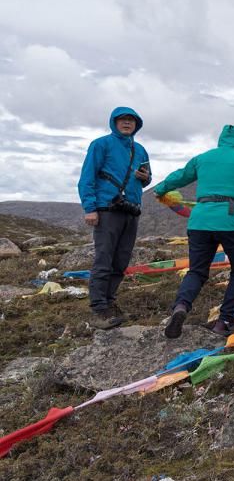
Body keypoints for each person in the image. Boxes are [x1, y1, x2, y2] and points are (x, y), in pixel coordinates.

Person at [153, 125, 234, 338]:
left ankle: (181, 307)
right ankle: (224, 322)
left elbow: (180, 176)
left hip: (200, 220)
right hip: (231, 220)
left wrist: (161, 189)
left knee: (197, 271)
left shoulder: (203, 158)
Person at [78, 107, 152, 330]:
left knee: (121, 261)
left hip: (131, 210)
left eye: (131, 120)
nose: (127, 123)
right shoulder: (101, 144)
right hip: (107, 209)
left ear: (136, 124)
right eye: (122, 120)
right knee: (104, 259)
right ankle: (99, 309)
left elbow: (147, 179)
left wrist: (145, 177)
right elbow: (86, 178)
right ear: (114, 122)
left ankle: (109, 302)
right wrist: (90, 208)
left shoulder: (140, 150)